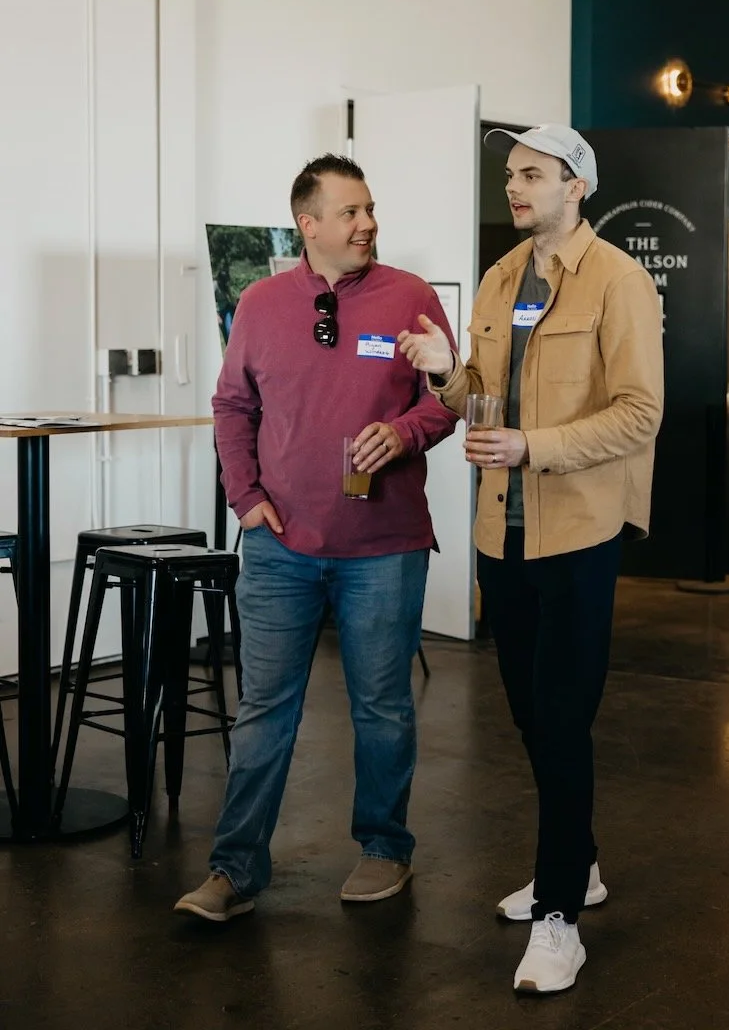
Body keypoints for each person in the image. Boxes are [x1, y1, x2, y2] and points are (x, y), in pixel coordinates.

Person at [399, 124, 664, 995]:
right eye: (510, 174)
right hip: (498, 534)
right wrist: (447, 373)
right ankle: (578, 863)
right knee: (526, 712)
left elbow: (639, 414)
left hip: (579, 533)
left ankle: (559, 918)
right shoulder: (500, 277)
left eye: (534, 174)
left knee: (561, 720)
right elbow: (481, 395)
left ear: (577, 185)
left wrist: (532, 445)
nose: (515, 187)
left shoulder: (619, 280)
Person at [175, 153, 458, 923]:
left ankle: (383, 848)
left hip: (385, 545)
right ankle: (234, 869)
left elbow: (446, 401)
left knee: (383, 707)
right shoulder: (261, 302)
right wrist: (246, 500)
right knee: (264, 707)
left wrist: (402, 433)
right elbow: (233, 406)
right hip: (280, 546)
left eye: (370, 209)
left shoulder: (410, 296)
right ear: (309, 224)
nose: (368, 223)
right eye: (350, 212)